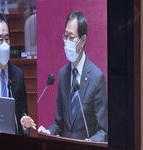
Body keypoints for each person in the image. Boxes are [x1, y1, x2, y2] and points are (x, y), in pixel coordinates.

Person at [37, 11, 107, 142]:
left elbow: (103, 130)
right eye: (65, 36)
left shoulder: (97, 78)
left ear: (83, 40)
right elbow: (59, 123)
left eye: (71, 37)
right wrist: (48, 132)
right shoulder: (63, 74)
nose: (67, 41)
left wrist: (91, 142)